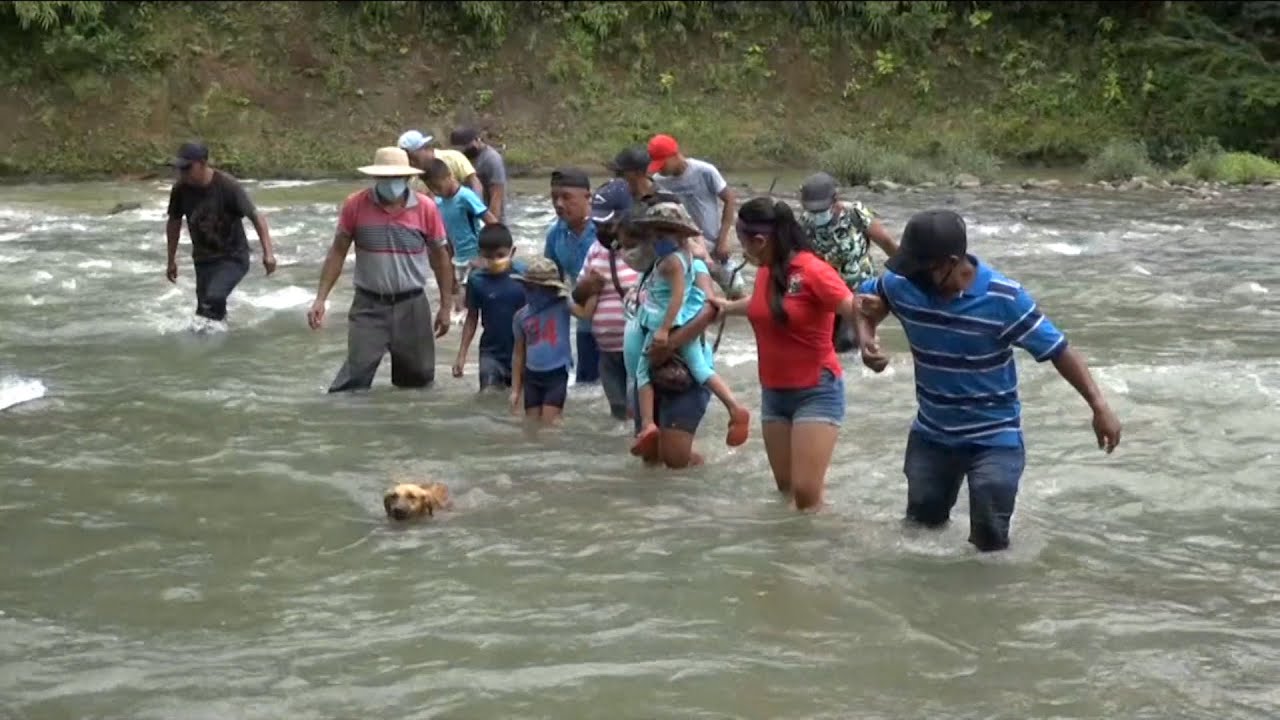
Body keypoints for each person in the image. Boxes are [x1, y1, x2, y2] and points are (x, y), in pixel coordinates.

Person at [853, 209, 1123, 552]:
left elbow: (1059, 350)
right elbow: (862, 298)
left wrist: (1099, 406)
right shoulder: (903, 285)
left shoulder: (1004, 298)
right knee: (920, 532)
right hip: (932, 436)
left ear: (950, 263)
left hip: (995, 439)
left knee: (990, 542)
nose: (911, 277)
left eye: (921, 268)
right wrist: (866, 337)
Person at [710, 198, 865, 511]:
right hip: (774, 394)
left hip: (816, 391)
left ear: (760, 241)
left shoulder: (814, 271)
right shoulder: (769, 271)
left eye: (744, 244)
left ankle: (820, 552)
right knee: (786, 489)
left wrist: (870, 343)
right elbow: (763, 307)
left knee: (806, 495)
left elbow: (852, 308)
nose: (744, 252)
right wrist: (727, 308)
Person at [307, 147, 453, 393]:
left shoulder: (426, 208)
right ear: (375, 178)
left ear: (407, 178)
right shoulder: (355, 205)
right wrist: (321, 298)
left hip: (412, 305)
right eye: (385, 178)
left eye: (395, 178)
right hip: (369, 305)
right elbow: (338, 251)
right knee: (353, 380)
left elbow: (440, 257)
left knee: (417, 383)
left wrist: (446, 306)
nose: (390, 184)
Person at [626, 202, 751, 458]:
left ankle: (733, 410)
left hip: (671, 365)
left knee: (675, 459)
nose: (657, 239)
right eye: (654, 233)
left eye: (663, 233)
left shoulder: (685, 265)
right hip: (653, 369)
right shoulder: (657, 264)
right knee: (653, 459)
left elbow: (709, 310)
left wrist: (667, 343)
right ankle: (733, 409)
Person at [164, 142, 276, 323]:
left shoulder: (227, 186)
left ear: (202, 163)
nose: (182, 173)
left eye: (187, 168)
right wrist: (171, 260)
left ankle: (215, 340)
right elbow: (174, 223)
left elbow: (256, 217)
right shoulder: (180, 190)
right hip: (203, 260)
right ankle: (220, 344)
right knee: (204, 314)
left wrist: (268, 254)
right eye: (180, 169)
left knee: (214, 298)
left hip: (233, 258)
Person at [798, 171, 899, 353]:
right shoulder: (804, 223)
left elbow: (887, 243)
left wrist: (911, 273)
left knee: (848, 344)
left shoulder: (855, 213)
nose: (817, 214)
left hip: (860, 292)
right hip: (826, 294)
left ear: (835, 199)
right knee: (821, 347)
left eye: (821, 209)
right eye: (812, 210)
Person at [572, 179, 641, 420]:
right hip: (606, 352)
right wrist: (588, 286)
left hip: (638, 352)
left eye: (608, 224)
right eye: (598, 223)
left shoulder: (643, 252)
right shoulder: (595, 251)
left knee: (638, 413)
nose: (602, 230)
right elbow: (577, 296)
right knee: (619, 414)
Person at [647, 133, 745, 299]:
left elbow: (729, 199)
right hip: (683, 247)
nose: (661, 169)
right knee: (693, 296)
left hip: (713, 243)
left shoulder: (705, 171)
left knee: (736, 290)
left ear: (675, 155)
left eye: (663, 164)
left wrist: (723, 239)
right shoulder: (658, 181)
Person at [510, 257, 593, 424]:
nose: (531, 293)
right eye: (528, 288)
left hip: (556, 374)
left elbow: (585, 314)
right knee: (531, 422)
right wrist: (515, 390)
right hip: (531, 376)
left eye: (537, 289)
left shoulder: (562, 305)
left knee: (551, 422)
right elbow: (518, 355)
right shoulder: (520, 317)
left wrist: (594, 291)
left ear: (551, 290)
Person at [542, 167, 602, 385]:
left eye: (566, 197)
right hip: (584, 326)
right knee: (588, 389)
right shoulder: (555, 235)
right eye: (554, 197)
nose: (559, 204)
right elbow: (550, 283)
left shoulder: (606, 230)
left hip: (618, 325)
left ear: (588, 197)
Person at [453, 224, 525, 391]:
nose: (494, 261)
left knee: (520, 401)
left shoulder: (524, 277)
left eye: (500, 255)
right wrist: (462, 355)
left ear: (512, 252)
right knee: (488, 396)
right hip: (491, 354)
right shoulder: (476, 280)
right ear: (480, 255)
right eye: (489, 256)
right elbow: (472, 318)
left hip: (523, 352)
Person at [423, 158, 497, 313]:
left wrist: (491, 254)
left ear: (449, 176)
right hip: (459, 260)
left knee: (471, 304)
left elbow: (491, 221)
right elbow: (445, 235)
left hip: (477, 256)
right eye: (431, 188)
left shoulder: (465, 197)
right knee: (461, 305)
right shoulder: (439, 202)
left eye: (438, 186)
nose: (436, 191)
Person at [397, 130, 484, 198]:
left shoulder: (454, 158)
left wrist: (476, 210)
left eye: (412, 157)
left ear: (424, 148)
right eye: (407, 158)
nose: (411, 162)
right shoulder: (412, 178)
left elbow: (475, 183)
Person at [450, 127, 508, 222]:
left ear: (477, 140)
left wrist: (492, 226)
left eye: (466, 146)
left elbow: (497, 196)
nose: (463, 150)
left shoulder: (491, 159)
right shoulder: (459, 158)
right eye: (460, 149)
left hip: (488, 218)